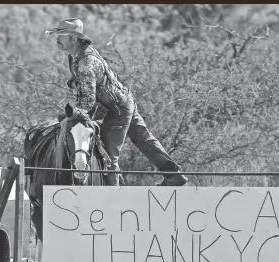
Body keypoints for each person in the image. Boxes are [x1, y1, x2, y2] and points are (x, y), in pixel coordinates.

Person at [45, 18, 188, 186]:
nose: (57, 39)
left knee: (107, 155)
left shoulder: (85, 62)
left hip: (116, 109)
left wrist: (71, 114)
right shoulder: (77, 56)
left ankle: (113, 198)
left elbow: (88, 101)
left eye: (61, 35)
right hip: (122, 101)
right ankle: (174, 176)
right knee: (143, 138)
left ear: (73, 39)